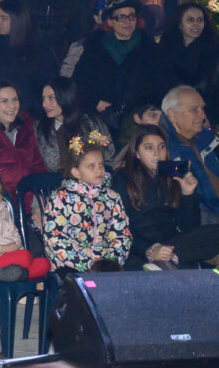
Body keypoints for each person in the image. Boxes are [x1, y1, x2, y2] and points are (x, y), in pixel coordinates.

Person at [114, 124, 219, 270]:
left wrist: (188, 194)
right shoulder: (124, 177)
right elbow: (123, 229)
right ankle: (164, 260)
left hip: (175, 244)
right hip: (142, 247)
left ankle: (168, 258)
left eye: (161, 147)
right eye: (149, 148)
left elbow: (189, 228)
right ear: (137, 152)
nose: (157, 153)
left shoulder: (172, 170)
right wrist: (149, 249)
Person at [72, 0, 169, 130]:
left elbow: (162, 84)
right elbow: (78, 83)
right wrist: (95, 103)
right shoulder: (95, 46)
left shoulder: (149, 47)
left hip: (138, 121)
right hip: (102, 120)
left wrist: (147, 109)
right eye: (121, 17)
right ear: (110, 21)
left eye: (131, 16)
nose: (127, 22)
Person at [44, 130, 130, 271]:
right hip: (71, 266)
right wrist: (87, 264)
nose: (99, 170)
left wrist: (111, 262)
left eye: (101, 165)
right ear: (76, 172)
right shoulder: (60, 198)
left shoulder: (112, 197)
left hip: (105, 266)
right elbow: (54, 237)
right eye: (91, 166)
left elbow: (122, 234)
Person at [0, 168, 49, 282]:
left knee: (44, 263)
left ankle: (15, 273)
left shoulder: (3, 209)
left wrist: (17, 245)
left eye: (0, 193)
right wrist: (3, 249)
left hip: (13, 257)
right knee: (25, 257)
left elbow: (14, 231)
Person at [162, 85, 219, 220]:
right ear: (173, 115)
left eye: (202, 109)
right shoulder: (164, 150)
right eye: (194, 109)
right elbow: (184, 195)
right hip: (202, 218)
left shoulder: (208, 139)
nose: (203, 116)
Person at [35, 77, 108, 174]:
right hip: (55, 181)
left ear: (66, 97)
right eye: (43, 98)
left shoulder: (91, 123)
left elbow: (108, 158)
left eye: (51, 98)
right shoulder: (39, 128)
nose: (44, 104)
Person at [165, 3, 219, 90]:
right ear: (179, 24)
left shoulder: (213, 50)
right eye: (190, 20)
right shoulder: (167, 50)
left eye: (200, 20)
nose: (196, 24)